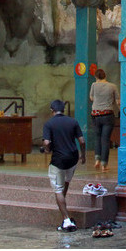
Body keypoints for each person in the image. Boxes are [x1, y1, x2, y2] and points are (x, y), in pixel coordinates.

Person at [42, 99, 86, 232]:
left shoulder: (49, 124)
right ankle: (63, 207)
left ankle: (67, 220)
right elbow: (82, 141)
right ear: (63, 109)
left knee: (58, 189)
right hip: (73, 159)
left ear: (52, 110)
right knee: (65, 182)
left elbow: (46, 142)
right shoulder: (73, 121)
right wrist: (83, 155)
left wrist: (47, 149)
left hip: (58, 161)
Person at [89, 68, 119, 172]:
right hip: (108, 114)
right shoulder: (112, 86)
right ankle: (104, 164)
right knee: (105, 140)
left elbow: (91, 98)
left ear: (96, 77)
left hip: (96, 114)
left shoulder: (93, 85)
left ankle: (97, 159)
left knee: (97, 137)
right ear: (105, 76)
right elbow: (118, 101)